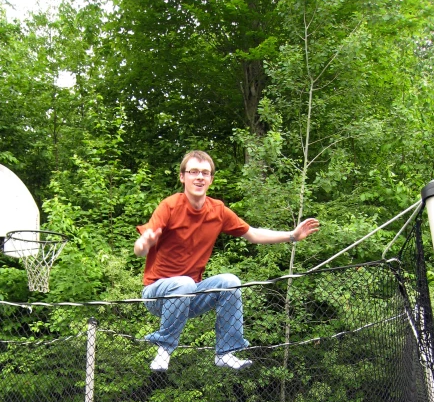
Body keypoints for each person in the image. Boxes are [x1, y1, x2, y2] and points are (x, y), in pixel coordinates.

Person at [134, 150, 319, 371]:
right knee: (184, 283)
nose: (199, 177)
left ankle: (226, 353)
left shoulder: (218, 210)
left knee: (230, 281)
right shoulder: (170, 206)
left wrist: (292, 236)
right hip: (158, 295)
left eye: (205, 172)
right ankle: (163, 351)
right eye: (193, 172)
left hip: (191, 294)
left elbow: (253, 234)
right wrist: (145, 243)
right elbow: (140, 249)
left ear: (211, 179)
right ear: (183, 177)